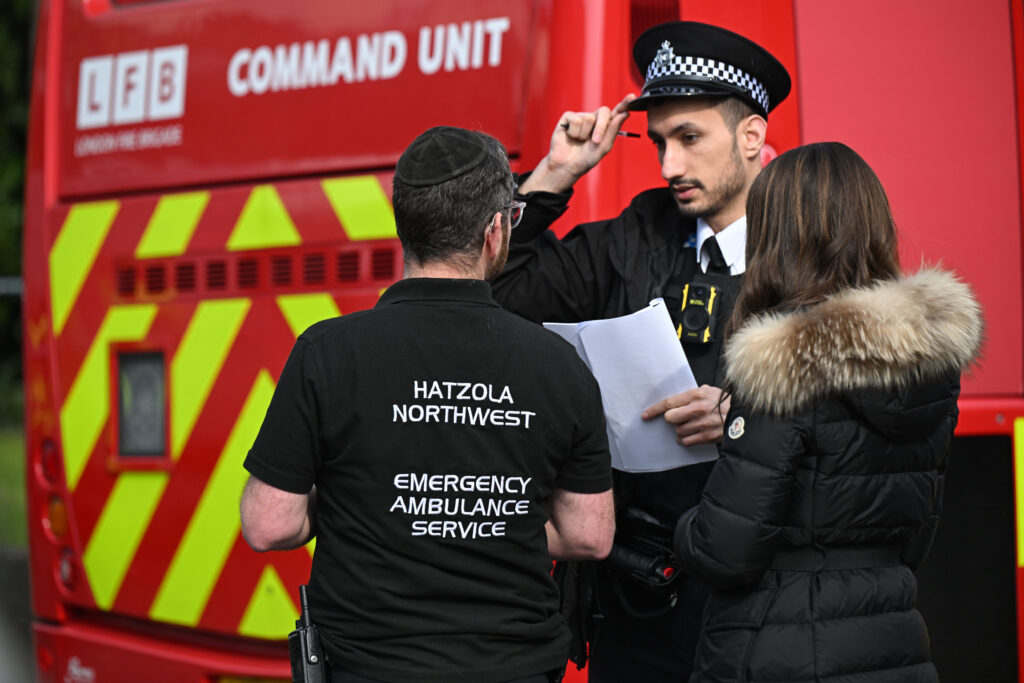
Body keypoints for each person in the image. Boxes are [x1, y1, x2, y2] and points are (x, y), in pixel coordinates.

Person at [240, 126, 616, 683]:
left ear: (404, 228)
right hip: (514, 667)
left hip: (368, 668)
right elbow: (590, 535)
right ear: (495, 231)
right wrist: (481, 522)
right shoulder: (559, 363)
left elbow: (269, 524)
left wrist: (369, 510)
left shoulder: (327, 352)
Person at [491, 21, 791, 680]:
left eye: (689, 138)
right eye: (658, 142)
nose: (668, 166)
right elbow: (501, 291)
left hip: (766, 601)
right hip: (640, 597)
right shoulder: (636, 233)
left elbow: (872, 411)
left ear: (751, 136)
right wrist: (555, 173)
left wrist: (747, 416)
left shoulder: (813, 248)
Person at [674, 142, 983, 682]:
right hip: (895, 640)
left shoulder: (783, 363)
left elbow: (725, 551)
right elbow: (918, 536)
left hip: (781, 647)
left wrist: (683, 527)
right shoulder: (932, 364)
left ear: (775, 236)